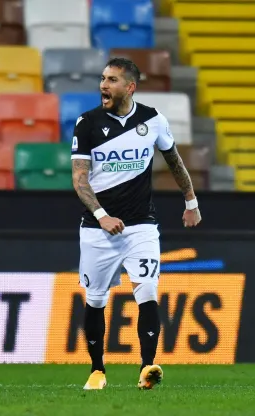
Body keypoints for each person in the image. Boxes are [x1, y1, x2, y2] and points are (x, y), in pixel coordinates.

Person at [70, 57, 202, 390]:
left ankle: (147, 368)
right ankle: (97, 370)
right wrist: (102, 216)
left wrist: (191, 201)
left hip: (141, 226)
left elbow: (174, 162)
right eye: (102, 78)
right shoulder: (87, 123)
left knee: (147, 291)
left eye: (112, 80)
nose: (103, 85)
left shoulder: (153, 120)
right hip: (97, 229)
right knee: (96, 300)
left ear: (130, 87)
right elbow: (79, 179)